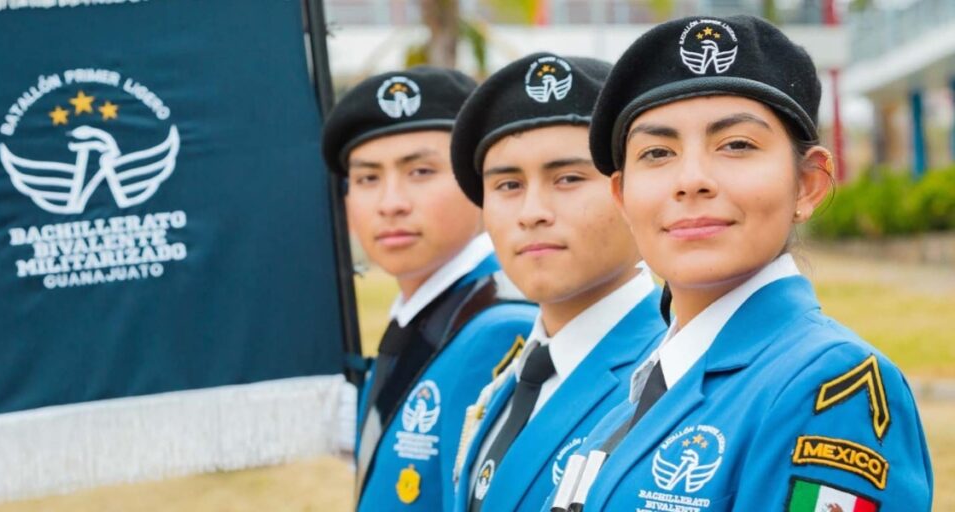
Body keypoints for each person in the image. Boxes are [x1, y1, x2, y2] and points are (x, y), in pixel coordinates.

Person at [547, 15, 933, 512]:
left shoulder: (830, 390)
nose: (691, 180)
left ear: (808, 184)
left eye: (736, 145)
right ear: (621, 197)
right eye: (658, 152)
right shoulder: (644, 382)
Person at [446, 53, 667, 512]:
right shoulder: (509, 376)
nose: (532, 213)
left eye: (567, 178)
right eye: (508, 185)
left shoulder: (671, 374)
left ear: (631, 192)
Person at [321, 66, 538, 511]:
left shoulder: (498, 326)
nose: (391, 203)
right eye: (367, 178)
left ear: (478, 180)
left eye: (420, 171)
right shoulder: (424, 312)